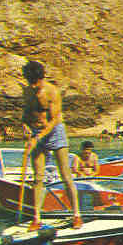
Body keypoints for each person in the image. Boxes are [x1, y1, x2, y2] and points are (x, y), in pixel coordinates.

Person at [21, 60, 82, 230]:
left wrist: (38, 137)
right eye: (30, 82)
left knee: (65, 175)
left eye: (36, 82)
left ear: (42, 78)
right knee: (38, 177)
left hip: (54, 132)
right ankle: (37, 218)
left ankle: (76, 215)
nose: (34, 86)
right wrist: (25, 126)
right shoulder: (27, 91)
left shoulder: (52, 92)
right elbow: (27, 112)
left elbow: (54, 120)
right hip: (36, 132)